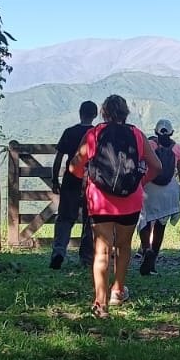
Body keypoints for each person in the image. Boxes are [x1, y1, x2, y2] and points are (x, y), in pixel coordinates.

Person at [70, 95, 160, 319]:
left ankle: (100, 305)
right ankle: (118, 291)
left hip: (100, 201)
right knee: (123, 245)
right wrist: (140, 182)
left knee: (101, 250)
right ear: (125, 112)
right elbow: (156, 166)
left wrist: (88, 179)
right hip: (130, 200)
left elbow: (74, 167)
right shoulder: (137, 135)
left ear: (104, 112)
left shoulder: (94, 134)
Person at [50, 100, 98, 269]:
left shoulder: (69, 132)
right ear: (95, 115)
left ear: (80, 113)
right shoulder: (96, 134)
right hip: (91, 181)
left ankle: (59, 251)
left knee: (64, 217)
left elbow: (59, 158)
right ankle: (86, 257)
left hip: (70, 179)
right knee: (89, 219)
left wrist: (55, 179)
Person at [137, 118, 180, 275]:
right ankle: (153, 261)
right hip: (169, 191)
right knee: (160, 225)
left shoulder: (150, 145)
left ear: (155, 132)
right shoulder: (177, 148)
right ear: (172, 133)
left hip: (149, 187)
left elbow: (141, 165)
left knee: (144, 220)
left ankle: (146, 249)